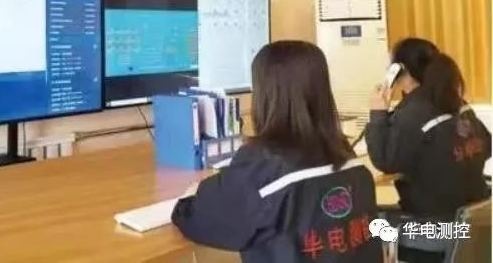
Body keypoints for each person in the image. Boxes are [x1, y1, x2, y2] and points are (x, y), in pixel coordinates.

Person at [171, 41, 382, 262]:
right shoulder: (347, 156)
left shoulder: (263, 164)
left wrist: (190, 198)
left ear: (265, 95)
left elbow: (200, 220)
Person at [366, 38, 491, 219]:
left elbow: (385, 161)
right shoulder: (456, 102)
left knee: (371, 221)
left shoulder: (414, 112)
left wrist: (378, 113)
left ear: (399, 70)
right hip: (476, 218)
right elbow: (487, 144)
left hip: (438, 225)